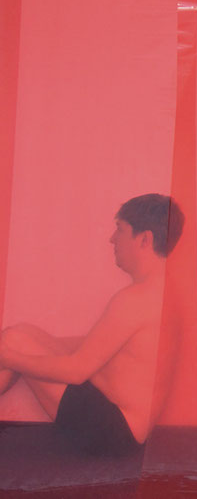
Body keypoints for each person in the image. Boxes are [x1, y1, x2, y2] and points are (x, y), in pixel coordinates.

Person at [0, 193, 184, 455]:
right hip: (121, 425)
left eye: (120, 229)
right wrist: (30, 347)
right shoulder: (162, 292)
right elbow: (99, 347)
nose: (112, 239)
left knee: (14, 344)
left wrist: (10, 357)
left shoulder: (135, 300)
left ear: (145, 239)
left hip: (112, 431)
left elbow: (76, 371)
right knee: (20, 336)